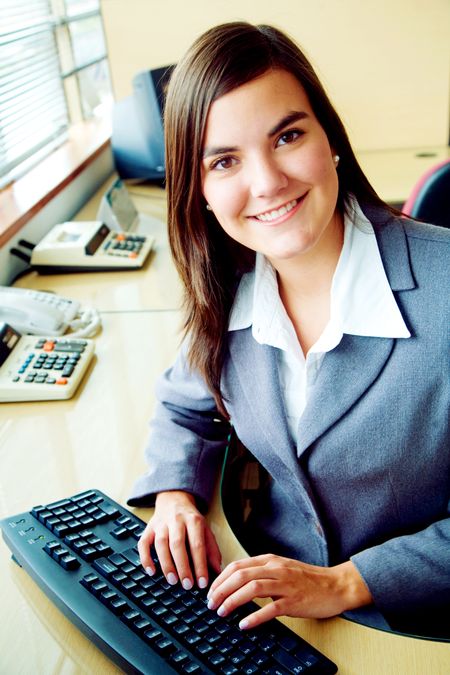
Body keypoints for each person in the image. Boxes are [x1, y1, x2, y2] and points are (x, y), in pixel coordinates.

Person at [128, 22, 450, 636]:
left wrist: (345, 582)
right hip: (277, 613)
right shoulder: (231, 290)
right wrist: (175, 497)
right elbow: (183, 407)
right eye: (225, 160)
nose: (268, 182)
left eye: (288, 136)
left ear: (329, 138)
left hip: (416, 629)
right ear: (199, 191)